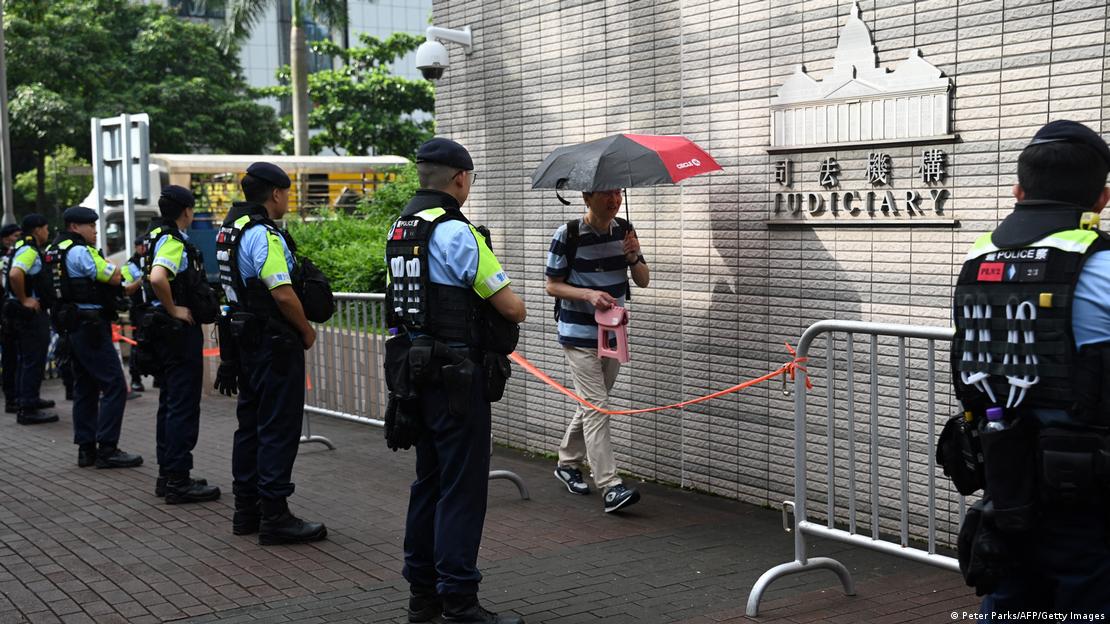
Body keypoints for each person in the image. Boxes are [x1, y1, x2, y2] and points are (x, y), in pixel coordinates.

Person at [946, 120, 1110, 619]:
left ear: (1019, 191)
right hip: (1089, 483)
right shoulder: (1100, 266)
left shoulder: (979, 257)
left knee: (1013, 599)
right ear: (1101, 198)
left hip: (1004, 469)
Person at [384, 138, 527, 624]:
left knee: (428, 481)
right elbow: (512, 306)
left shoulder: (399, 229)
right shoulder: (456, 232)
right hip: (455, 377)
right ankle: (460, 600)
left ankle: (423, 595)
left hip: (413, 372)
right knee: (462, 487)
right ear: (460, 180)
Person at [216, 162, 326, 544]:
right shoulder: (263, 235)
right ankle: (276, 517)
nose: (288, 199)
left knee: (250, 426)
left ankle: (246, 510)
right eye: (287, 192)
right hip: (274, 344)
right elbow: (281, 292)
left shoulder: (229, 231)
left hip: (246, 342)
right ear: (275, 193)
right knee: (278, 428)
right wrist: (306, 330)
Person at [544, 189, 650, 513]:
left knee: (592, 404)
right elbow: (552, 284)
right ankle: (610, 486)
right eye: (606, 192)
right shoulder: (569, 234)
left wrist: (633, 256)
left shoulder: (624, 230)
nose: (614, 199)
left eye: (617, 192)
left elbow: (643, 280)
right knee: (598, 406)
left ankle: (567, 461)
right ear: (587, 197)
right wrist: (588, 295)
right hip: (578, 334)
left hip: (613, 333)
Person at [50, 206, 143, 469]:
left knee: (86, 387)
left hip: (72, 326)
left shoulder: (55, 250)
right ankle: (108, 448)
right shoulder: (79, 251)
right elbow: (114, 276)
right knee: (115, 384)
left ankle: (86, 449)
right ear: (74, 227)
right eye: (90, 226)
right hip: (90, 327)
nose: (95, 231)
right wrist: (115, 270)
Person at [145, 185, 221, 504]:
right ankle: (178, 479)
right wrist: (174, 308)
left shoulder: (156, 236)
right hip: (178, 331)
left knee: (171, 403)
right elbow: (157, 277)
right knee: (182, 405)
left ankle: (169, 474)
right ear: (187, 211)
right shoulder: (173, 241)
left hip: (166, 332)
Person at [5, 214, 58, 424]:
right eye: (45, 228)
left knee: (28, 360)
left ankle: (28, 399)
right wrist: (25, 298)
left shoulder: (21, 247)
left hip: (22, 313)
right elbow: (15, 274)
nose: (47, 232)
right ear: (37, 230)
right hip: (30, 314)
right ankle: (27, 408)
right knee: (32, 360)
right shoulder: (28, 250)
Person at [123, 234, 148, 394]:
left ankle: (159, 378)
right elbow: (127, 288)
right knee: (137, 344)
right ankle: (136, 379)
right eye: (141, 245)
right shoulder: (129, 266)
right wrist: (142, 279)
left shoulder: (152, 260)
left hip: (152, 308)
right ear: (137, 247)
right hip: (138, 309)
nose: (144, 248)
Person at [1, 223, 22, 413]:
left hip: (13, 312)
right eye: (15, 236)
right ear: (6, 238)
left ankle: (21, 396)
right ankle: (11, 398)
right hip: (5, 314)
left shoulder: (15, 255)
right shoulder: (5, 258)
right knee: (10, 358)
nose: (18, 240)